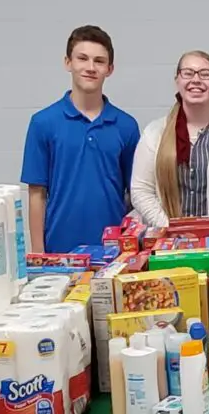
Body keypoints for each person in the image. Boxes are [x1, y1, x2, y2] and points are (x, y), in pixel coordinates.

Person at [20, 25, 141, 253]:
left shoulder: (127, 126)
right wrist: (38, 253)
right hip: (60, 251)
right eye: (82, 59)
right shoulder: (43, 123)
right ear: (68, 62)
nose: (90, 67)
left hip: (113, 252)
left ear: (110, 69)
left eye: (99, 61)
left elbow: (135, 193)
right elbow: (37, 193)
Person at [129, 51, 209, 228]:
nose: (196, 80)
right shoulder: (154, 133)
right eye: (188, 73)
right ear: (177, 80)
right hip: (166, 246)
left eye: (205, 74)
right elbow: (141, 191)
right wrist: (170, 229)